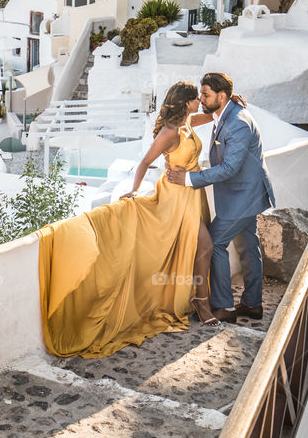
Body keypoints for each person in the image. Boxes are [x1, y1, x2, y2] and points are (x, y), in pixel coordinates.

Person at [38, 81, 220, 359]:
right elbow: (146, 162)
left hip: (192, 194)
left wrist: (227, 101)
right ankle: (201, 303)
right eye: (196, 98)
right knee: (204, 246)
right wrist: (134, 190)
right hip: (174, 198)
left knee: (201, 247)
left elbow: (213, 113)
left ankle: (198, 299)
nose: (199, 102)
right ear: (186, 103)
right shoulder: (171, 132)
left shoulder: (189, 121)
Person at [165, 72, 275, 324]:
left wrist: (190, 179)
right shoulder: (226, 111)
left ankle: (224, 307)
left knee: (214, 243)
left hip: (243, 196)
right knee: (248, 246)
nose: (201, 98)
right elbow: (191, 117)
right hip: (245, 193)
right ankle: (252, 304)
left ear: (221, 96)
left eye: (206, 94)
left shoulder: (237, 122)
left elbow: (229, 168)